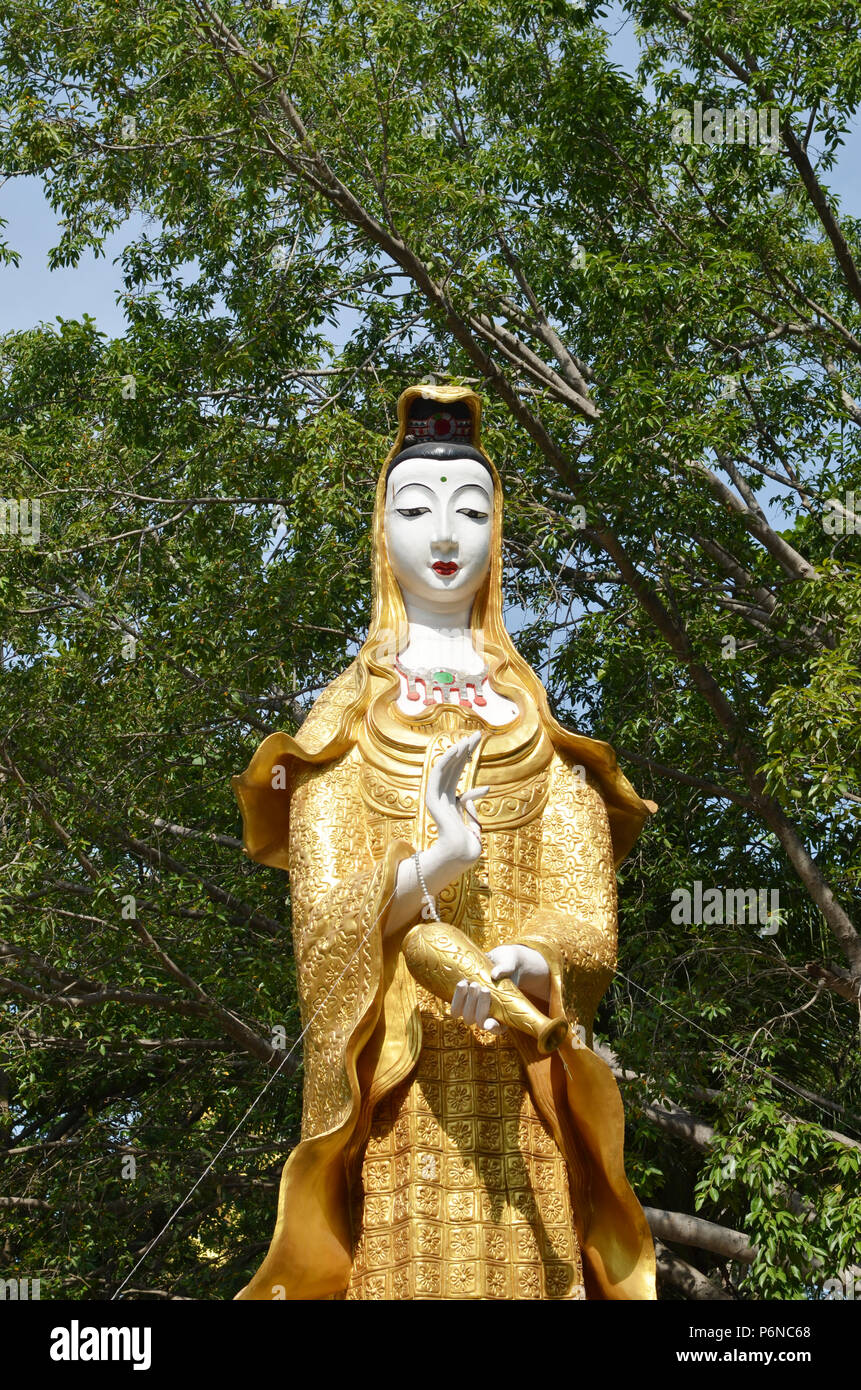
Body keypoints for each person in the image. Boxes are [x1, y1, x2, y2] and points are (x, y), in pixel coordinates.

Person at [232, 383, 656, 1300]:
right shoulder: (344, 726)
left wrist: (521, 961)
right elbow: (321, 923)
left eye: (471, 509)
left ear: (496, 530)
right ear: (380, 531)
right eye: (415, 509)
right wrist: (441, 858)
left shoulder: (538, 732)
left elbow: (587, 919)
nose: (445, 534)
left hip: (519, 1079)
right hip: (399, 1092)